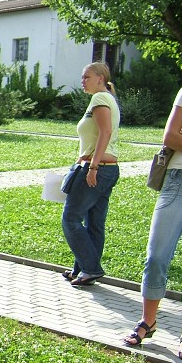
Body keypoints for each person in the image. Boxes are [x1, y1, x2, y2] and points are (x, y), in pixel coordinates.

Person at [122, 69, 182, 361]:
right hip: (177, 179)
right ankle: (148, 321)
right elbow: (170, 137)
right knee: (156, 255)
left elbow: (180, 136)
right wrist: (181, 136)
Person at [61, 62, 120, 287]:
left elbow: (105, 132)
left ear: (100, 78)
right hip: (107, 168)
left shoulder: (100, 99)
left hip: (98, 169)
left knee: (71, 218)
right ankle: (83, 269)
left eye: (87, 77)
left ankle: (90, 268)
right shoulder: (107, 99)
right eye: (82, 77)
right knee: (94, 222)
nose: (83, 81)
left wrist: (92, 166)